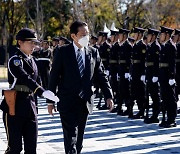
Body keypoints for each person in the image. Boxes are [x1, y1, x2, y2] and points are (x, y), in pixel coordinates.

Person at [47, 21, 114, 154]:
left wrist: (108, 95)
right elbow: (54, 77)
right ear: (73, 36)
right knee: (70, 137)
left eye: (88, 34)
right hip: (67, 102)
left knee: (79, 141)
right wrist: (50, 100)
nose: (87, 38)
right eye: (83, 35)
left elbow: (100, 75)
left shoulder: (93, 52)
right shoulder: (62, 52)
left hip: (85, 102)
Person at [0, 28, 58, 154]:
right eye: (30, 42)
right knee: (14, 148)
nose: (34, 45)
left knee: (31, 148)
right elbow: (25, 78)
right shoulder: (15, 60)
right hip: (14, 107)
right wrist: (42, 91)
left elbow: (38, 81)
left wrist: (49, 100)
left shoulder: (32, 60)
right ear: (20, 42)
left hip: (31, 106)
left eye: (35, 42)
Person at [159, 26, 177, 128]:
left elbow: (172, 63)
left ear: (166, 34)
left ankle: (172, 119)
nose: (160, 36)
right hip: (163, 75)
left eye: (162, 34)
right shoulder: (164, 46)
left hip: (168, 76)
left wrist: (172, 77)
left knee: (171, 98)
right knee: (164, 97)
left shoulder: (171, 46)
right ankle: (165, 118)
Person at [143, 28, 161, 124]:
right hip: (149, 73)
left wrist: (155, 75)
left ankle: (155, 115)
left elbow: (157, 62)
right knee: (150, 94)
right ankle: (151, 114)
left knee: (155, 96)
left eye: (149, 35)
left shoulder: (156, 47)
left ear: (153, 36)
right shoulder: (149, 46)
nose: (148, 37)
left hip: (153, 74)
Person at [129, 27, 147, 119]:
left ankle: (141, 110)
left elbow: (144, 61)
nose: (134, 36)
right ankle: (134, 109)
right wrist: (130, 72)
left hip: (140, 72)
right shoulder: (135, 45)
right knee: (134, 91)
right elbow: (132, 61)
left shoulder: (142, 46)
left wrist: (143, 73)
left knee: (140, 92)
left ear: (140, 35)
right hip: (135, 71)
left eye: (136, 34)